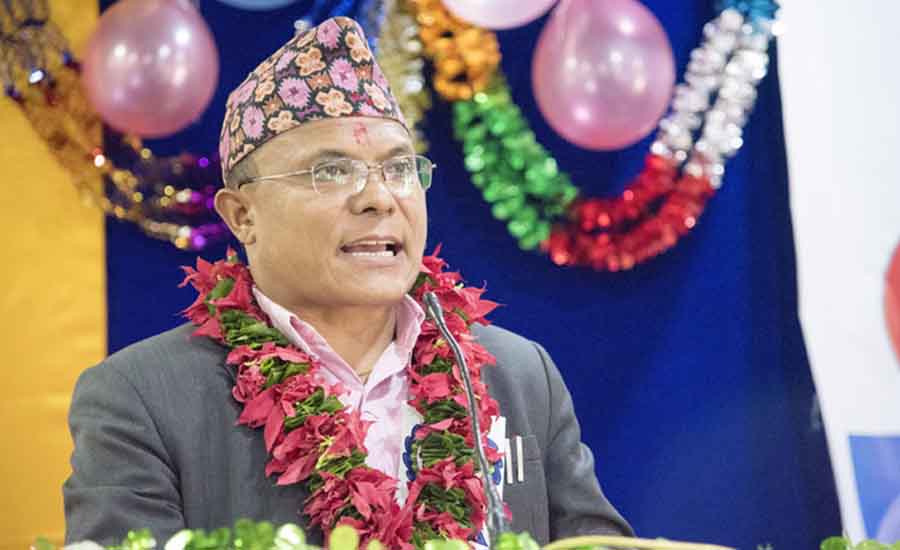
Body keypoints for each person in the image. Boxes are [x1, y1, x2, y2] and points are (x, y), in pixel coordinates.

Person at [63, 16, 632, 548]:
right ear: (242, 216)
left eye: (399, 168)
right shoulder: (141, 399)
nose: (379, 198)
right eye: (331, 172)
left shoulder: (519, 375)